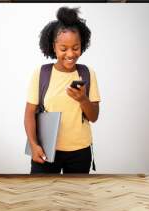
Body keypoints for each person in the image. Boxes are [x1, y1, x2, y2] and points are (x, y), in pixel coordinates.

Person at [24, 6, 100, 174]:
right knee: (41, 197)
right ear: (53, 47)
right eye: (63, 48)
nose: (71, 54)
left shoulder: (87, 73)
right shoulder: (41, 73)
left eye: (76, 47)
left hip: (80, 151)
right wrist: (34, 145)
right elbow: (29, 113)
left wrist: (82, 99)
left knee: (76, 199)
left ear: (83, 45)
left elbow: (93, 117)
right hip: (46, 149)